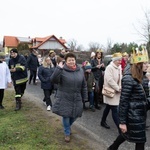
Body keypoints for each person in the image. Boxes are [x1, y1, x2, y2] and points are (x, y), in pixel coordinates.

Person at [107, 47, 149, 150]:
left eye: (148, 63)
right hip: (132, 115)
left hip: (140, 115)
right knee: (140, 140)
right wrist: (122, 122)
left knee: (126, 135)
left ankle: (112, 148)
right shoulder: (128, 79)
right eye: (145, 63)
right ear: (138, 65)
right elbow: (123, 102)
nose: (148, 65)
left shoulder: (143, 78)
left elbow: (146, 98)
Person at [50, 52, 87, 142]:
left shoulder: (80, 70)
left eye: (73, 60)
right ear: (65, 61)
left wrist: (85, 97)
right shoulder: (61, 70)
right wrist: (58, 68)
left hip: (76, 97)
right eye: (69, 60)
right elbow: (53, 80)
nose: (71, 62)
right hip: (64, 96)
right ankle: (67, 132)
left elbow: (84, 85)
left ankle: (67, 127)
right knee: (66, 115)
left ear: (75, 60)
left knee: (76, 115)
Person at [101, 52, 122, 132]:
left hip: (117, 91)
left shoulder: (119, 67)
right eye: (118, 60)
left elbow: (120, 79)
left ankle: (103, 121)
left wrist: (120, 87)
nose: (120, 62)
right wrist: (117, 88)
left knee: (108, 107)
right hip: (110, 91)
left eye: (120, 60)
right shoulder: (109, 68)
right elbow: (109, 80)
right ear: (114, 60)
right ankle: (120, 130)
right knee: (114, 109)